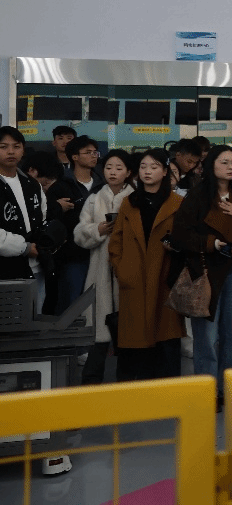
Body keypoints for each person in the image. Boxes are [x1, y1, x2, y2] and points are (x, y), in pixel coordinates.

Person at [172, 145, 232, 408]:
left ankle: (230, 388)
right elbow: (180, 235)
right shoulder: (198, 196)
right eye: (224, 162)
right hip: (206, 274)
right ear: (211, 165)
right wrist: (211, 243)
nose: (231, 167)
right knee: (206, 339)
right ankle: (207, 391)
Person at [108, 149, 185, 381]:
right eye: (143, 167)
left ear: (165, 171)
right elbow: (116, 241)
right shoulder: (129, 203)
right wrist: (121, 269)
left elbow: (188, 238)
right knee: (135, 342)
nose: (147, 171)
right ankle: (137, 390)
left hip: (164, 278)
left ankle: (166, 391)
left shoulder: (178, 203)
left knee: (165, 339)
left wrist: (177, 247)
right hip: (135, 279)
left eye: (153, 167)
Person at [75, 149, 133, 384]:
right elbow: (79, 232)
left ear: (128, 172)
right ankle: (91, 384)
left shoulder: (134, 199)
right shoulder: (94, 198)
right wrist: (97, 230)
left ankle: (126, 383)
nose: (113, 172)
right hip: (99, 272)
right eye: (109, 167)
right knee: (98, 331)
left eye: (119, 168)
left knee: (127, 332)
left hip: (126, 273)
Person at [51, 135, 105, 313]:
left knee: (97, 303)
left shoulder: (103, 185)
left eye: (95, 152)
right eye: (88, 152)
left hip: (99, 252)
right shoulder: (61, 186)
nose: (93, 156)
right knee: (72, 302)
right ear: (74, 157)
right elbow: (51, 220)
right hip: (72, 255)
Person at [0, 127, 50, 312]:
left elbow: (43, 216)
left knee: (34, 318)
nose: (10, 151)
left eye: (16, 146)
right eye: (3, 147)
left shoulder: (32, 184)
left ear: (23, 150)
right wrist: (25, 248)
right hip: (6, 269)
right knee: (10, 321)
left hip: (36, 267)